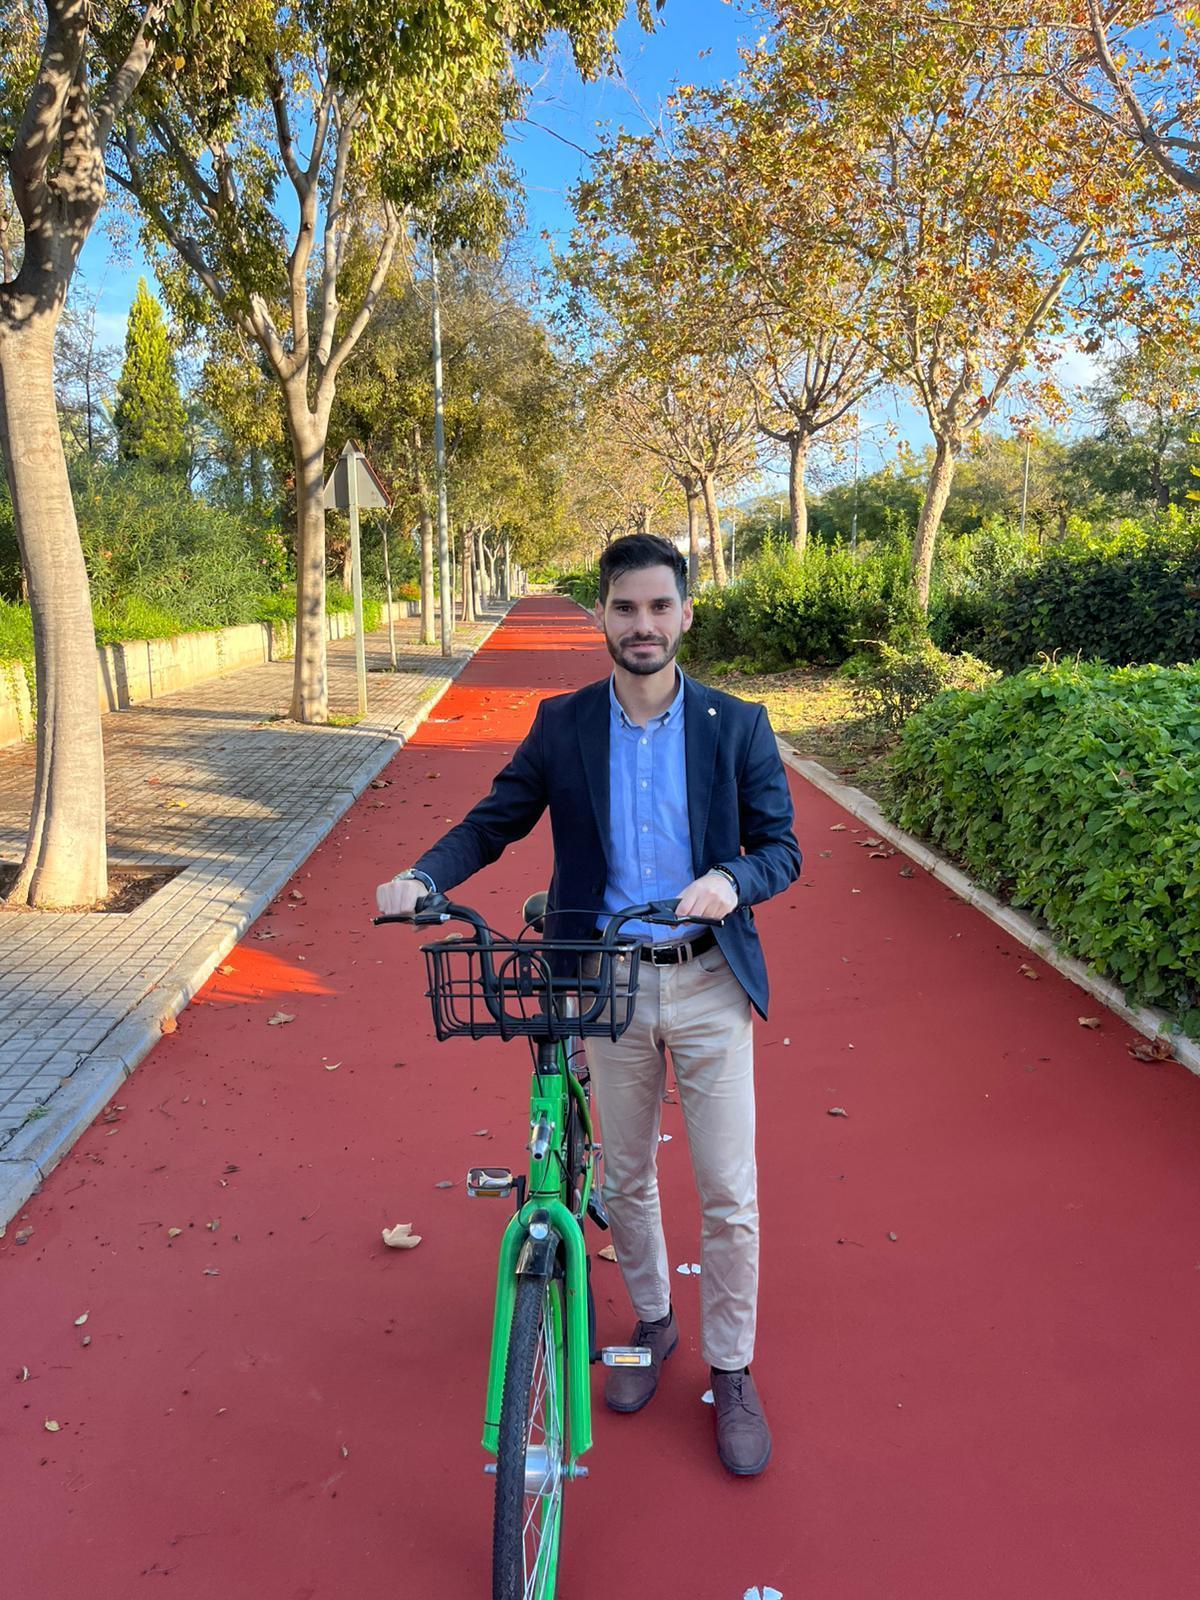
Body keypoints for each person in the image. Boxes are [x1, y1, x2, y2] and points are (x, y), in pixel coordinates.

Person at [376, 533, 802, 1476]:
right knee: (626, 1178)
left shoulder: (737, 726)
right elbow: (497, 818)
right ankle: (653, 1321)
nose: (642, 625)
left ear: (686, 614)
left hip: (706, 982)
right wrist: (423, 875)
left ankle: (731, 1370)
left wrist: (734, 878)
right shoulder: (563, 723)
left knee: (730, 1193)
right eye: (625, 608)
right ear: (601, 615)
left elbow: (783, 848)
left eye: (659, 607)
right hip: (602, 982)